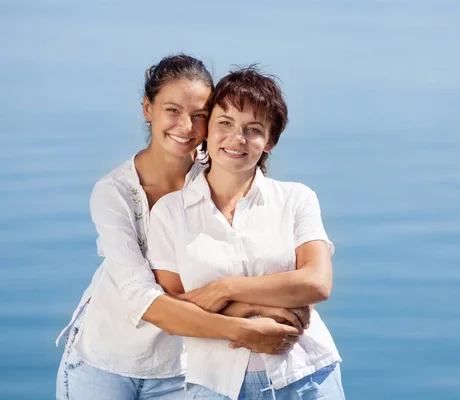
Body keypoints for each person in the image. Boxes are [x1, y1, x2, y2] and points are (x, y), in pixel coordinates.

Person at [56, 55, 304, 400]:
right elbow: (142, 297)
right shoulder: (114, 192)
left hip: (182, 369)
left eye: (200, 115)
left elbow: (258, 254)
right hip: (105, 361)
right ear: (148, 109)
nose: (186, 126)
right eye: (172, 110)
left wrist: (252, 299)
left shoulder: (221, 174)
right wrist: (246, 323)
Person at [147, 67, 345, 400]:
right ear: (207, 129)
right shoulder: (169, 213)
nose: (237, 139)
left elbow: (316, 283)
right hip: (212, 385)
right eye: (225, 123)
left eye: (253, 129)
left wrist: (226, 290)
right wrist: (256, 312)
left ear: (269, 141)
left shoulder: (297, 199)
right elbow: (172, 308)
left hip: (305, 376)